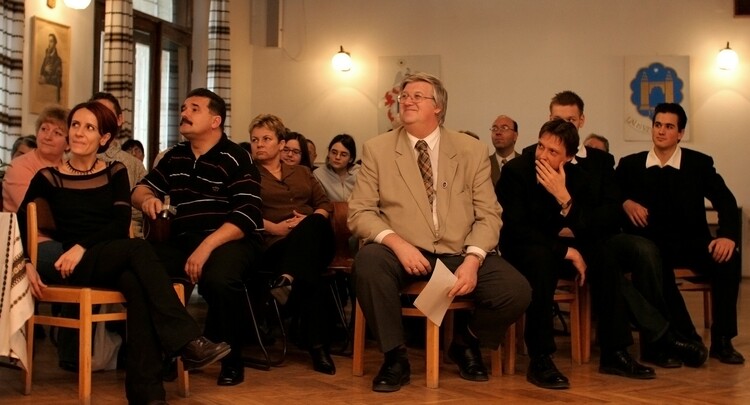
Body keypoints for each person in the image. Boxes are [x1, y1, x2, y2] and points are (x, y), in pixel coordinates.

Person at [19, 101, 230, 405]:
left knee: (136, 284)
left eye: (89, 127)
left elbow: (119, 224)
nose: (78, 133)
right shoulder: (47, 177)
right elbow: (19, 224)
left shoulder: (115, 172)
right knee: (139, 249)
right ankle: (187, 340)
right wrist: (26, 262)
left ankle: (148, 396)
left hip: (103, 256)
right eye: (75, 125)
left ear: (104, 138)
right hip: (68, 262)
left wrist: (83, 247)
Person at [348, 72, 531, 393]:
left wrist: (473, 259)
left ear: (438, 107)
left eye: (418, 96)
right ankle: (395, 357)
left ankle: (466, 343)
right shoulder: (377, 149)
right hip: (403, 252)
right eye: (404, 96)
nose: (407, 101)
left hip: (459, 252)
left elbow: (489, 214)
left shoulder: (470, 150)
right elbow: (360, 212)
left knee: (516, 290)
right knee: (368, 262)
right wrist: (397, 243)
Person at [498, 119, 661, 390]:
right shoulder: (516, 171)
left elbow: (589, 227)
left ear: (569, 157)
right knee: (542, 261)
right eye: (541, 146)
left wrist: (565, 198)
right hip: (524, 249)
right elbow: (516, 229)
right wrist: (567, 251)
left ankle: (614, 352)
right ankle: (540, 358)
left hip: (560, 247)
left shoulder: (577, 177)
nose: (542, 155)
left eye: (553, 152)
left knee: (605, 255)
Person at [132, 88, 264, 386]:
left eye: (194, 108)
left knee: (219, 279)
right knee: (142, 267)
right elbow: (139, 190)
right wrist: (147, 199)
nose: (184, 113)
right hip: (182, 239)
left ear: (215, 121)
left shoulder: (236, 156)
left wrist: (206, 247)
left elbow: (246, 215)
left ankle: (232, 360)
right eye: (183, 108)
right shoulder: (174, 156)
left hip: (231, 239)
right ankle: (176, 348)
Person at [616, 102, 744, 365]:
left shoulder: (699, 164)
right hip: (652, 247)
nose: (661, 131)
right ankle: (687, 337)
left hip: (692, 243)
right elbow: (609, 196)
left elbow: (726, 200)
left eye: (669, 126)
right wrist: (625, 202)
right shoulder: (630, 165)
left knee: (729, 259)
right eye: (657, 125)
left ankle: (722, 341)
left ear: (680, 133)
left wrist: (727, 236)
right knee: (655, 263)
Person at [249, 113, 337, 375]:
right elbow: (244, 212)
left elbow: (324, 205)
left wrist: (307, 221)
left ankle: (286, 278)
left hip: (317, 238)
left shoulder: (302, 172)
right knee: (311, 276)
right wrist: (274, 227)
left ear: (280, 143)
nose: (259, 144)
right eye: (254, 139)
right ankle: (318, 347)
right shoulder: (248, 175)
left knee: (314, 224)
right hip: (276, 244)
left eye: (266, 139)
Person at [90, 92, 148, 238]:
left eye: (106, 114)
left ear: (119, 119)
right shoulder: (69, 160)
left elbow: (141, 213)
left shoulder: (132, 164)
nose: (101, 120)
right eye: (95, 114)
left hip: (125, 235)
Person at [313, 133, 360, 202]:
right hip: (331, 208)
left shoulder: (360, 172)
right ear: (328, 153)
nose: (337, 157)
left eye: (343, 155)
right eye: (334, 152)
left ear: (351, 158)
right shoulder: (318, 174)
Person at [489, 115, 520, 186]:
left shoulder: (525, 164)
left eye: (504, 128)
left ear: (515, 136)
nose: (498, 132)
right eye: (494, 128)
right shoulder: (484, 164)